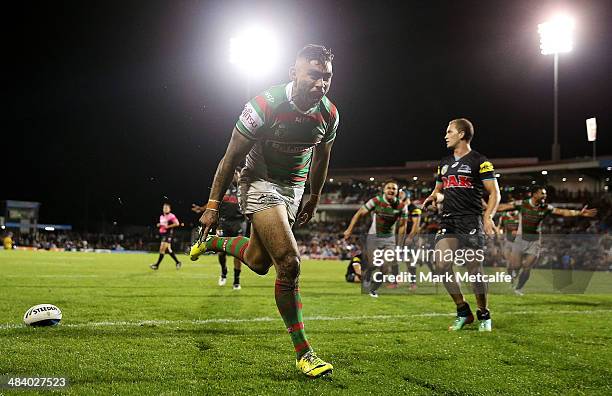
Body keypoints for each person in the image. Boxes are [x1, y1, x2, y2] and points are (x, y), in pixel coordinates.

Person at [190, 44, 338, 378]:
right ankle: (304, 353)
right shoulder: (263, 105)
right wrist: (213, 205)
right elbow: (230, 158)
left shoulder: (329, 114)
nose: (321, 84)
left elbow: (322, 157)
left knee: (258, 262)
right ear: (294, 73)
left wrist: (314, 195)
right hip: (259, 182)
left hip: (294, 190)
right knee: (289, 262)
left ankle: (214, 242)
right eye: (314, 75)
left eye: (326, 77)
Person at [422, 118, 500, 332]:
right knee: (441, 265)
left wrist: (488, 217)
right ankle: (463, 311)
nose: (445, 135)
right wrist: (433, 198)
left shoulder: (480, 161)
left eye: (450, 131)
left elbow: (494, 192)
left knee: (474, 269)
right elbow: (439, 192)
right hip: (448, 219)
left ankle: (483, 313)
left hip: (470, 219)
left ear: (462, 134)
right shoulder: (444, 163)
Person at [497, 186, 597, 295]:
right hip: (520, 240)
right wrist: (488, 207)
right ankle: (513, 277)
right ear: (534, 194)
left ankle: (519, 288)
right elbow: (503, 207)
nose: (545, 196)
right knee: (516, 266)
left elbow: (561, 212)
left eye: (545, 194)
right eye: (542, 193)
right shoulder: (522, 204)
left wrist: (579, 213)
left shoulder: (545, 207)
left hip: (535, 241)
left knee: (527, 267)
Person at [343, 180, 408, 297]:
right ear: (384, 190)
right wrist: (349, 229)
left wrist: (399, 244)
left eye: (394, 189)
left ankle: (374, 289)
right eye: (389, 188)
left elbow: (403, 226)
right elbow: (359, 213)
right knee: (373, 264)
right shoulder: (376, 201)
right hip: (374, 237)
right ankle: (367, 278)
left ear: (397, 192)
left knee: (386, 266)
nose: (391, 190)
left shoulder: (402, 206)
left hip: (390, 239)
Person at [192, 172, 246, 290]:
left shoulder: (244, 188)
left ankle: (236, 280)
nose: (235, 176)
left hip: (238, 223)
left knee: (238, 254)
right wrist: (201, 209)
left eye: (237, 174)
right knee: (221, 251)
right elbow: (214, 202)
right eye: (234, 174)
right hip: (224, 222)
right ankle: (223, 272)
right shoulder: (224, 189)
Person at [399, 189, 422, 290]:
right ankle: (395, 281)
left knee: (410, 261)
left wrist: (410, 237)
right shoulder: (400, 208)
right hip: (400, 237)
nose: (399, 195)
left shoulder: (414, 209)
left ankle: (413, 283)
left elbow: (416, 226)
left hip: (410, 238)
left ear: (407, 195)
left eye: (402, 194)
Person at [150, 203, 182, 270]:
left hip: (168, 234)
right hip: (163, 234)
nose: (165, 209)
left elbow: (177, 223)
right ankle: (178, 262)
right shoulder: (161, 216)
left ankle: (157, 265)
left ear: (169, 209)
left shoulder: (171, 216)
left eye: (167, 208)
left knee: (162, 249)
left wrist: (168, 226)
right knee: (168, 250)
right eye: (164, 208)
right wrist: (160, 225)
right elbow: (163, 224)